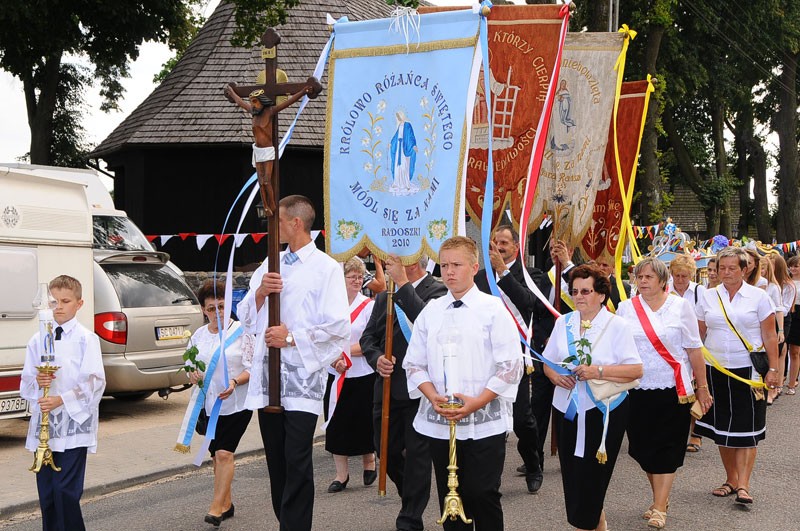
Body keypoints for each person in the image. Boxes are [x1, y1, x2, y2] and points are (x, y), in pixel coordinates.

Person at [237, 195, 350, 531]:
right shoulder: (269, 264)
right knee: (277, 461)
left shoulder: (326, 268)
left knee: (297, 458)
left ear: (296, 223)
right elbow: (244, 317)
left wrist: (291, 337)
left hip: (301, 379)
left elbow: (338, 326)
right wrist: (260, 294)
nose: (272, 228)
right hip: (268, 378)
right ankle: (285, 522)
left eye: (278, 221)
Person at [404, 236, 522, 530]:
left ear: (474, 266)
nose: (449, 272)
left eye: (456, 265)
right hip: (442, 417)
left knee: (482, 493)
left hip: (482, 417)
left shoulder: (492, 309)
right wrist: (432, 396)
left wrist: (477, 402)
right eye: (444, 265)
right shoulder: (432, 311)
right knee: (451, 498)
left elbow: (509, 365)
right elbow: (414, 362)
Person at [542, 264, 642, 531]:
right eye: (575, 291)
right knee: (573, 475)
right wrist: (555, 377)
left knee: (594, 477)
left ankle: (589, 523)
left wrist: (597, 371)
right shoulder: (563, 322)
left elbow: (635, 370)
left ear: (601, 294)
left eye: (585, 291)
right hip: (567, 409)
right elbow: (547, 363)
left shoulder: (617, 325)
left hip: (605, 411)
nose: (578, 296)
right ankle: (595, 522)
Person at [617, 258, 711, 530]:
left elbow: (694, 349)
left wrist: (702, 387)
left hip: (673, 388)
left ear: (662, 280)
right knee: (644, 448)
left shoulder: (680, 307)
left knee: (668, 447)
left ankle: (659, 506)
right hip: (637, 388)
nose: (643, 281)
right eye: (639, 276)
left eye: (648, 276)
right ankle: (661, 497)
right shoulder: (626, 308)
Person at [360, 253, 447, 531]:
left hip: (421, 390)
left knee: (418, 458)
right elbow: (368, 337)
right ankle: (409, 494)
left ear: (411, 261)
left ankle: (410, 518)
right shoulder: (385, 295)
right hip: (387, 387)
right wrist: (377, 359)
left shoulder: (438, 291)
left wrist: (402, 284)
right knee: (387, 452)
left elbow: (428, 323)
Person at [694, 247, 779, 505]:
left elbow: (770, 335)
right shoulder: (708, 296)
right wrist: (695, 373)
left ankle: (744, 485)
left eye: (732, 268)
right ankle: (731, 479)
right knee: (723, 427)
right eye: (722, 268)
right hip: (715, 369)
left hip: (748, 371)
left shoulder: (759, 297)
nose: (726, 272)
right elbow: (698, 335)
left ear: (745, 269)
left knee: (747, 428)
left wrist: (774, 369)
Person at [20, 275, 105, 531]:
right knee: (47, 494)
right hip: (45, 425)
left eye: (65, 301)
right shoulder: (37, 340)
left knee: (65, 491)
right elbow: (26, 382)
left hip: (73, 423)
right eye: (53, 301)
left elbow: (95, 381)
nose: (58, 307)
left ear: (79, 304)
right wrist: (38, 379)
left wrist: (62, 399)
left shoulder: (86, 339)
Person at [474, 224, 554, 493]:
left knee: (522, 419)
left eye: (504, 243)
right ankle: (491, 478)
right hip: (485, 357)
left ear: (516, 247)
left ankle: (533, 463)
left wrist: (503, 272)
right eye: (495, 242)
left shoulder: (532, 275)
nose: (498, 247)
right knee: (491, 421)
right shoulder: (480, 278)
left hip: (516, 356)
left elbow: (529, 303)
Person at [187, 280, 253, 527]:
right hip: (209, 405)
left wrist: (235, 381)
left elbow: (253, 368)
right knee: (216, 456)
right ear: (203, 310)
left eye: (222, 306)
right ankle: (227, 503)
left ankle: (215, 508)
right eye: (211, 308)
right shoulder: (199, 335)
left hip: (237, 403)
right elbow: (189, 364)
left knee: (225, 453)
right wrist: (192, 374)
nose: (217, 312)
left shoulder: (242, 332)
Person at [323, 257, 376, 493]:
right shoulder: (329, 307)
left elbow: (371, 341)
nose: (357, 280)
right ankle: (341, 475)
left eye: (359, 276)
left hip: (362, 373)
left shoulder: (369, 306)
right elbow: (323, 338)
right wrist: (334, 359)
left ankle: (369, 462)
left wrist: (344, 354)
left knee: (364, 421)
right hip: (336, 374)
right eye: (352, 276)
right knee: (337, 424)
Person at [225, 84, 317, 216]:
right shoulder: (253, 112)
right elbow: (240, 102)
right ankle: (266, 206)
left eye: (255, 101)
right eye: (251, 102)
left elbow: (289, 102)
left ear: (262, 101)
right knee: (261, 181)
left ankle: (272, 203)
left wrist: (302, 92)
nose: (253, 105)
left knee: (267, 180)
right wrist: (232, 92)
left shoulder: (270, 111)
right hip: (257, 150)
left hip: (267, 150)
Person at [760, 257, 785, 404]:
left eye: (763, 268)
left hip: (772, 322)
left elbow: (779, 309)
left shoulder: (773, 287)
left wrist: (780, 330)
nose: (761, 271)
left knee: (772, 356)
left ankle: (772, 390)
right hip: (758, 325)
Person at [786, 256, 800, 393]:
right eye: (790, 266)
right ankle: (781, 378)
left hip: (798, 314)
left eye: (796, 266)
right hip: (787, 312)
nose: (793, 269)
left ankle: (792, 382)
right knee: (783, 349)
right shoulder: (786, 281)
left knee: (795, 351)